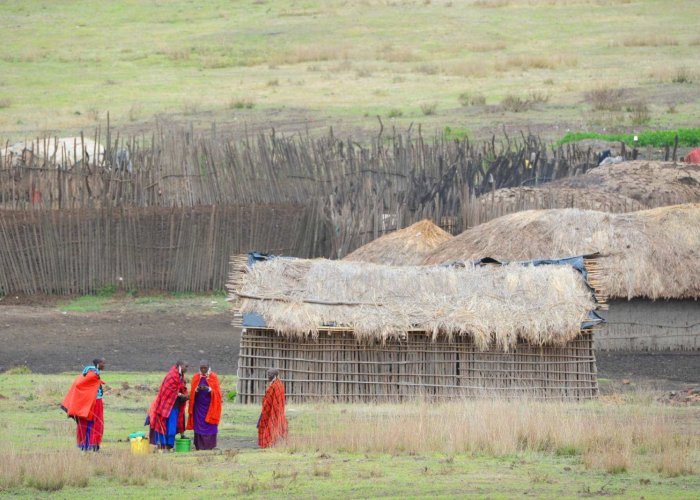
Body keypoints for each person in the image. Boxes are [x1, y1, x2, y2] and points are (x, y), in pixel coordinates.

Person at [61, 358, 106, 451]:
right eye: (102, 363)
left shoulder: (93, 373)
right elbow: (79, 385)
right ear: (97, 364)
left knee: (95, 424)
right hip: (93, 403)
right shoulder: (92, 374)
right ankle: (90, 446)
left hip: (94, 402)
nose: (104, 365)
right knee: (93, 424)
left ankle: (92, 446)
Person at [147, 360, 189, 450]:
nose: (187, 369)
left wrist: (184, 395)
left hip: (175, 405)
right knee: (164, 425)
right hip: (166, 405)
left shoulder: (180, 376)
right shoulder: (172, 375)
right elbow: (169, 390)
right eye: (186, 366)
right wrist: (182, 395)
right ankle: (163, 445)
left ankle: (169, 445)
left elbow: (180, 388)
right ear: (180, 366)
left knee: (172, 426)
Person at [186, 360, 222, 450]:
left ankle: (209, 445)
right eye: (201, 368)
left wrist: (209, 389)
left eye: (204, 368)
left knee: (209, 424)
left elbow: (217, 393)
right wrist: (197, 390)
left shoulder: (213, 377)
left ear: (208, 367)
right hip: (198, 407)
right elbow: (192, 393)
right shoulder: (195, 377)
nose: (203, 369)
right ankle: (199, 445)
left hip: (210, 406)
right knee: (199, 425)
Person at [257, 368, 288, 448]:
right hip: (268, 409)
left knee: (272, 425)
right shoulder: (275, 384)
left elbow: (277, 400)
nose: (268, 377)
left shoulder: (276, 385)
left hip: (274, 410)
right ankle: (273, 443)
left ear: (275, 376)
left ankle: (271, 443)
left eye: (270, 375)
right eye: (268, 375)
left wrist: (273, 409)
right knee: (264, 424)